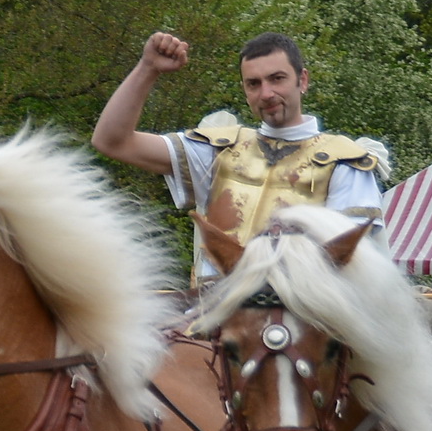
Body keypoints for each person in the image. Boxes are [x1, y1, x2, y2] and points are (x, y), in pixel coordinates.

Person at [92, 30, 389, 283]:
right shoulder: (217, 150)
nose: (267, 93)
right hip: (213, 320)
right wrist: (148, 68)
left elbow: (349, 265)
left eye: (277, 79)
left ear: (303, 81)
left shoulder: (344, 161)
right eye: (254, 83)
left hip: (299, 328)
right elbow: (112, 141)